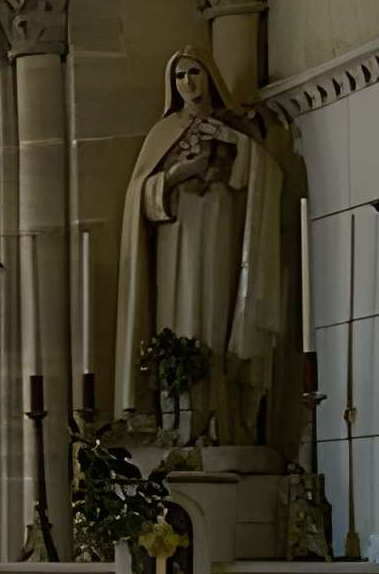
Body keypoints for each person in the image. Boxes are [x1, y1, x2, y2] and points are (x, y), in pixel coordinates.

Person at [114, 48, 286, 442]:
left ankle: (223, 419)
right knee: (179, 314)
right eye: (179, 76)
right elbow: (139, 196)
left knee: (217, 311)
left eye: (194, 72)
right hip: (177, 237)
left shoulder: (233, 127)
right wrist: (176, 174)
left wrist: (235, 143)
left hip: (221, 228)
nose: (188, 83)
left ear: (209, 76)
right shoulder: (163, 132)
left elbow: (264, 176)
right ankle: (176, 418)